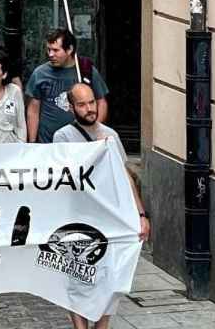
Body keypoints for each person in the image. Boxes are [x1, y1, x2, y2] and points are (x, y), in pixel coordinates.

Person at [53, 83, 150, 329]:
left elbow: (125, 178)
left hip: (108, 218)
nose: (89, 109)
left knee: (109, 280)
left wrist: (140, 214)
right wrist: (97, 149)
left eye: (91, 103)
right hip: (77, 218)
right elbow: (69, 177)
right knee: (76, 279)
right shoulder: (63, 136)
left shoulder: (111, 135)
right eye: (82, 104)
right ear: (72, 108)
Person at [26, 28, 109, 143]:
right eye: (49, 50)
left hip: (80, 142)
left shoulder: (86, 71)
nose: (50, 54)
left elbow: (101, 102)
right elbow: (33, 110)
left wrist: (96, 130)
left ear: (69, 49)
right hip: (48, 144)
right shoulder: (40, 74)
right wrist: (32, 142)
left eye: (56, 50)